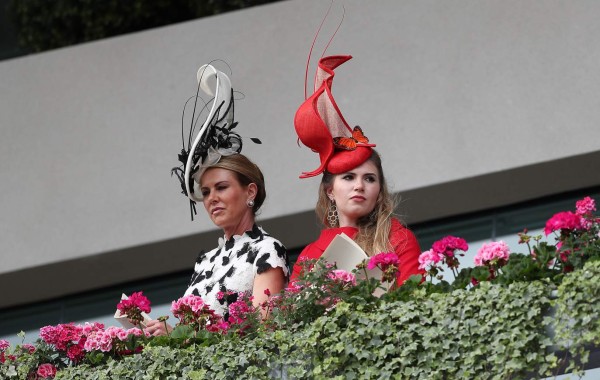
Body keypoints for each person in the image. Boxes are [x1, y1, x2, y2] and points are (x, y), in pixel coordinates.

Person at [145, 64, 288, 336]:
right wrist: (167, 334)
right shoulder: (206, 261)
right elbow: (193, 339)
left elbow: (264, 332)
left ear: (250, 192)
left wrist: (178, 337)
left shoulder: (268, 249)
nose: (212, 198)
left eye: (221, 187)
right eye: (207, 191)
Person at [290, 55, 423, 285]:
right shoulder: (309, 256)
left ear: (379, 191)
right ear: (330, 190)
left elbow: (416, 302)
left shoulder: (398, 240)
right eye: (349, 177)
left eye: (369, 179)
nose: (359, 185)